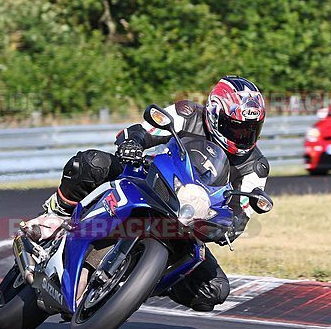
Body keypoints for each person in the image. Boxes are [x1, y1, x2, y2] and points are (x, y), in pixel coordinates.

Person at [21, 76, 269, 312]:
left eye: (250, 130)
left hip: (189, 220)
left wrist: (228, 227)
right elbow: (142, 130)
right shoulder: (187, 115)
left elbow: (241, 213)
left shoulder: (255, 167)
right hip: (150, 179)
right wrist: (134, 143)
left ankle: (142, 278)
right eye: (236, 129)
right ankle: (53, 215)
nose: (243, 137)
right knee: (90, 163)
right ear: (215, 114)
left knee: (213, 290)